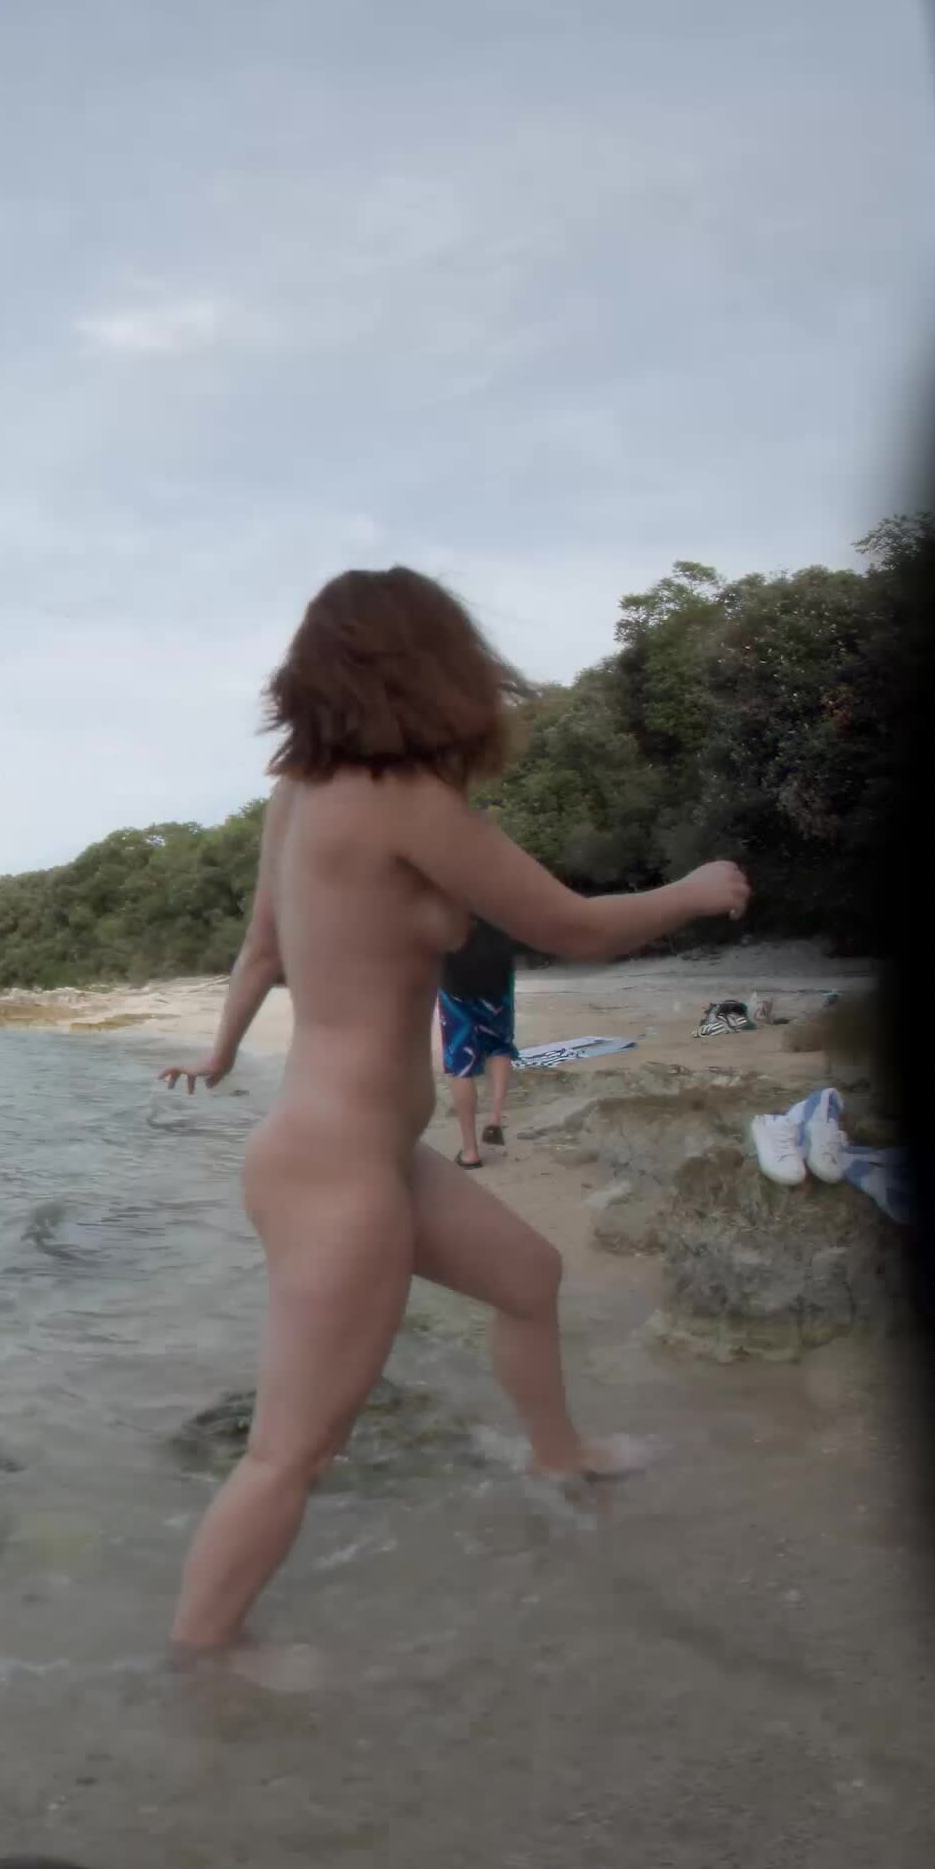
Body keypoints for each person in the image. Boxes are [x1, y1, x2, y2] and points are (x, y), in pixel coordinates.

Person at [155, 570, 749, 1679]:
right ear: (432, 667)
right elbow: (573, 927)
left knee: (527, 1276)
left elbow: (264, 951)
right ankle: (205, 1659)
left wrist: (223, 1052)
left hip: (350, 1152)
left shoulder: (299, 791)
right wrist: (695, 890)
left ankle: (559, 1456)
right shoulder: (405, 803)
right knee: (293, 1451)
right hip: (340, 1176)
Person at [435, 917, 523, 1168]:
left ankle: (470, 1151)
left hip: (454, 974)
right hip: (497, 967)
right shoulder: (499, 891)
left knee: (461, 1064)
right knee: (500, 1044)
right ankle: (495, 1117)